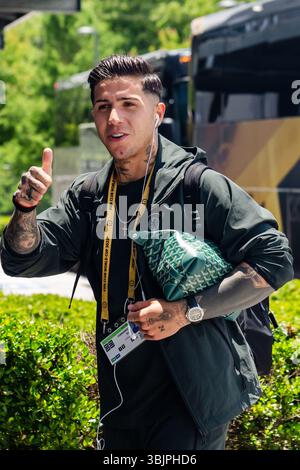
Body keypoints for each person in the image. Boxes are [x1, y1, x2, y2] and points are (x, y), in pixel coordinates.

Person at [0, 55, 294, 451]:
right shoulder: (88, 196)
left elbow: (274, 259)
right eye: (103, 107)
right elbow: (23, 258)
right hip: (120, 399)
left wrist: (184, 311)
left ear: (157, 113)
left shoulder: (198, 185)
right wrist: (24, 211)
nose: (114, 118)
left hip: (190, 402)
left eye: (128, 105)